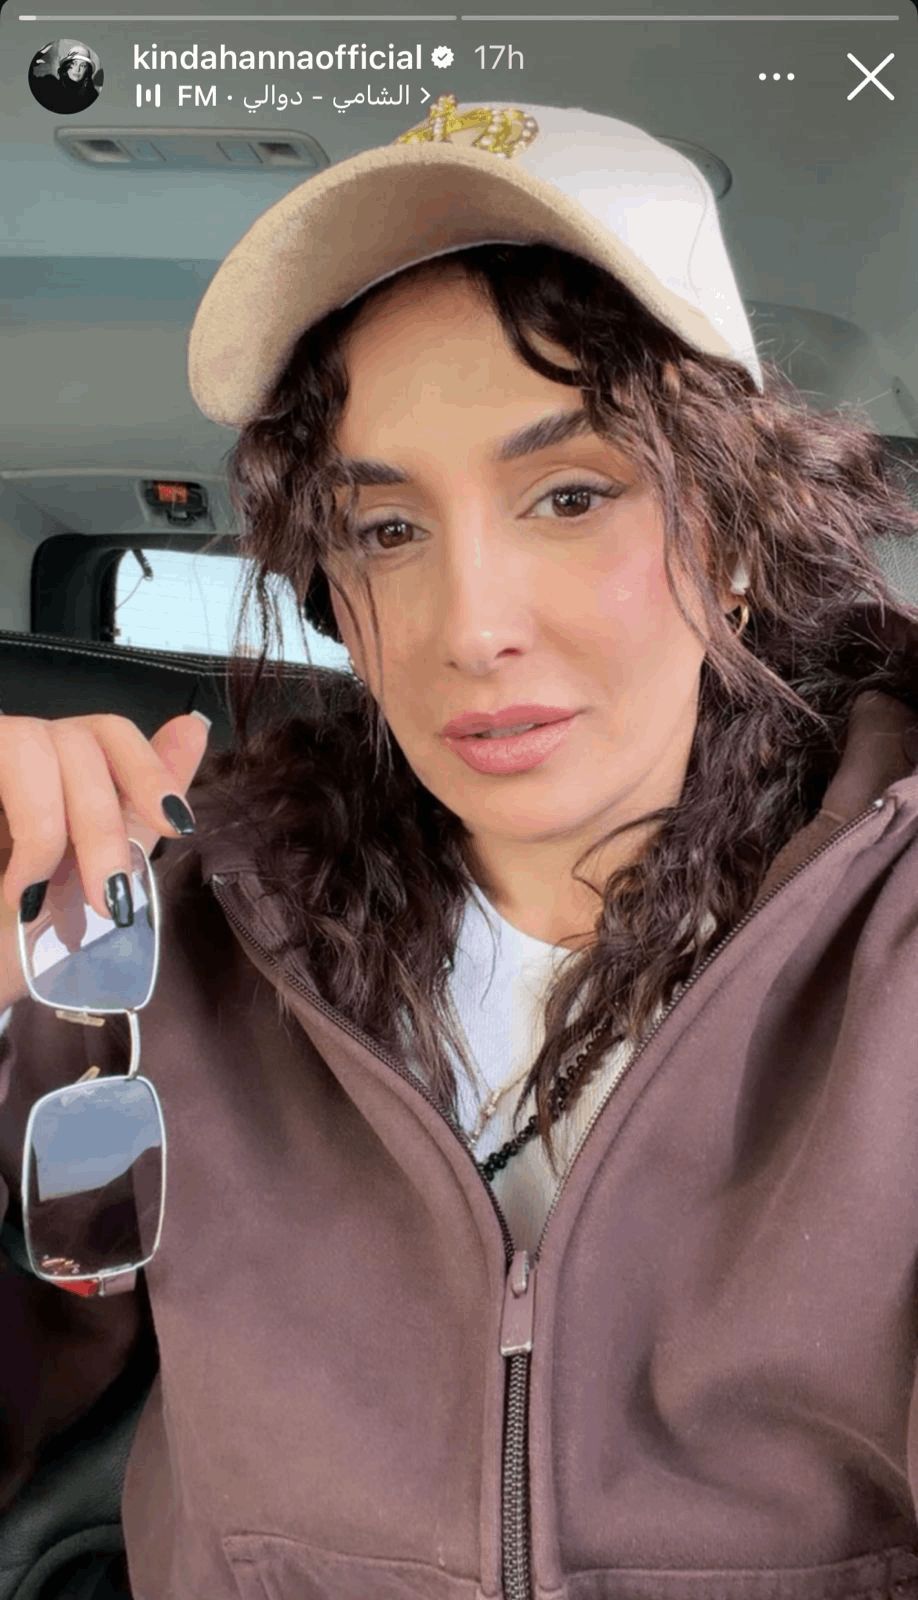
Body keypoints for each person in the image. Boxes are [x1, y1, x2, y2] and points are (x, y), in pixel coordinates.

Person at [2, 93, 918, 1599]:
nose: (469, 626)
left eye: (570, 495)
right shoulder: (156, 963)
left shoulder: (889, 959)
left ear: (740, 536)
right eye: (387, 531)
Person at [29, 46, 100, 114]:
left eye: (83, 65)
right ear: (66, 65)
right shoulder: (49, 84)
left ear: (87, 70)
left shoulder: (92, 95)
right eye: (74, 63)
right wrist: (31, 63)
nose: (77, 69)